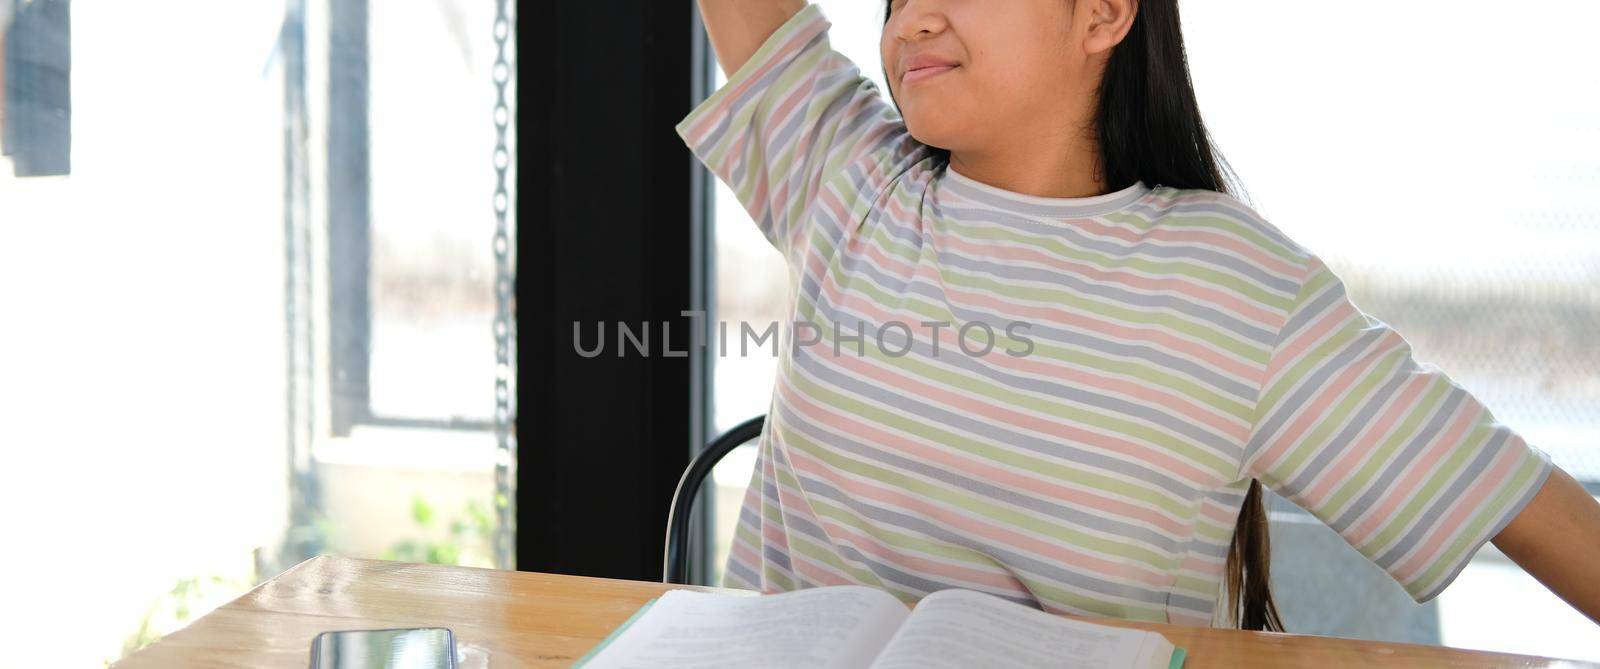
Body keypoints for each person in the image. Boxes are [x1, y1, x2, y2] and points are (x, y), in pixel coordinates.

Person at [677, 0, 1600, 630]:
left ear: (1106, 12)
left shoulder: (1239, 290)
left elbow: (1518, 502)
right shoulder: (846, 176)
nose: (911, 16)